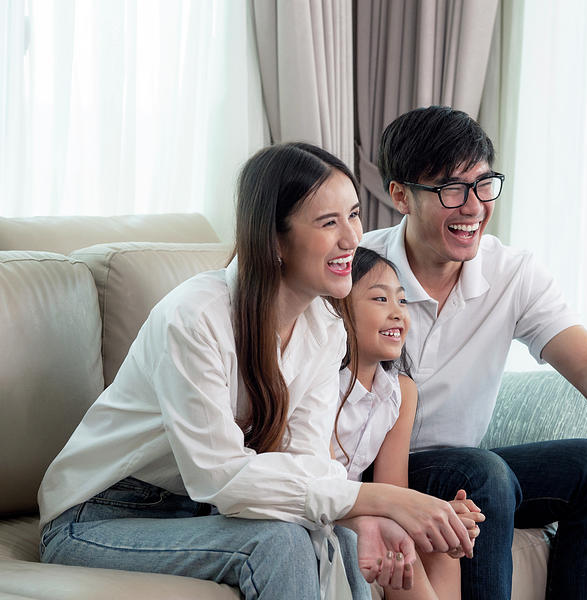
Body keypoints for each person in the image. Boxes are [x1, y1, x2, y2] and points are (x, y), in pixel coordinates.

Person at [37, 142, 475, 600]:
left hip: (200, 513)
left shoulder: (326, 330)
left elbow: (304, 462)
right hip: (99, 515)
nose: (351, 239)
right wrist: (381, 501)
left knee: (340, 538)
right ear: (274, 240)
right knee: (281, 544)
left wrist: (363, 518)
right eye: (329, 223)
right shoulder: (195, 317)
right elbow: (217, 474)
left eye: (354, 215)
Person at [361, 106, 587, 600]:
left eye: (484, 184)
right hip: (379, 469)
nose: (474, 206)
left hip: (467, 469)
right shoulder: (359, 272)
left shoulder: (513, 273)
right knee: (483, 474)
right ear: (400, 196)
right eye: (451, 189)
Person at [330, 246, 486, 600]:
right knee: (394, 539)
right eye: (380, 299)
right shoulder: (321, 385)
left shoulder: (401, 392)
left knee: (439, 544)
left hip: (368, 504)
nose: (398, 313)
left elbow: (395, 492)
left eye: (402, 301)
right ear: (338, 309)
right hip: (321, 507)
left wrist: (443, 514)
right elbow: (317, 490)